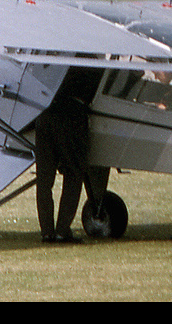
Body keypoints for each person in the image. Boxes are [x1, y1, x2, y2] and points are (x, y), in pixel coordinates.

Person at [35, 67, 99, 243]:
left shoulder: (63, 62)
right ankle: (62, 231)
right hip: (73, 116)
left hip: (47, 113)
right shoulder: (94, 64)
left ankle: (47, 232)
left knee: (44, 178)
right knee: (73, 174)